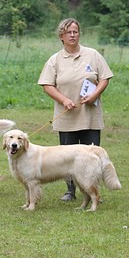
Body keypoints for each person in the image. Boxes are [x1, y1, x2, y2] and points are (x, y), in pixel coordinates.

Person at [38, 18, 114, 201]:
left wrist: (95, 94)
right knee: (67, 156)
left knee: (92, 154)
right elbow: (47, 85)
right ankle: (70, 191)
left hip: (90, 115)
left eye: (75, 32)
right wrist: (64, 100)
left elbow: (104, 78)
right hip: (67, 117)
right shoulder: (55, 60)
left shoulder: (93, 55)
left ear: (79, 34)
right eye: (68, 32)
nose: (72, 35)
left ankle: (93, 191)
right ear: (61, 36)